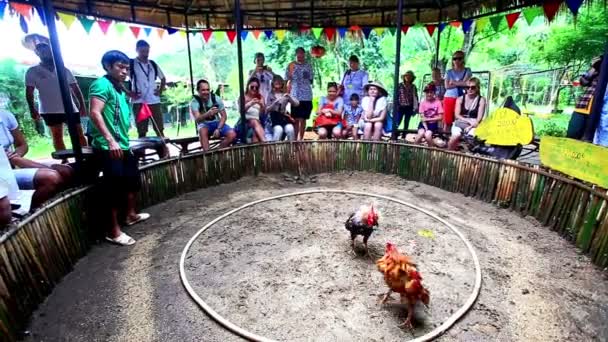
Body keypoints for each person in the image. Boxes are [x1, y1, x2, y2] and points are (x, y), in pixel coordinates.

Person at [88, 50, 150, 246]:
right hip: (109, 146)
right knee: (113, 188)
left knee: (131, 181)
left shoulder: (119, 88)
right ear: (108, 66)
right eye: (120, 67)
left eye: (126, 68)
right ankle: (113, 231)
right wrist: (109, 140)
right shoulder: (101, 84)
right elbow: (95, 113)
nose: (124, 71)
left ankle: (130, 215)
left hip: (123, 144)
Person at [24, 35, 87, 152]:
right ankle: (65, 162)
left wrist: (82, 106)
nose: (44, 53)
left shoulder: (64, 69)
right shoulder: (32, 71)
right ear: (37, 54)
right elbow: (29, 93)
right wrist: (32, 109)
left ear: (52, 52)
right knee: (57, 137)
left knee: (79, 134)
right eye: (41, 51)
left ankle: (86, 158)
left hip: (70, 108)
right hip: (49, 110)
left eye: (47, 50)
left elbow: (76, 89)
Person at [0, 107, 72, 209]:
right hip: (2, 174)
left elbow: (22, 145)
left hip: (10, 166)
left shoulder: (5, 115)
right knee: (51, 178)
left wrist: (16, 155)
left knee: (66, 171)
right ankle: (30, 214)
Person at [129, 40, 167, 139]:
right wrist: (129, 93)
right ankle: (141, 154)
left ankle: (164, 153)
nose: (145, 54)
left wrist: (160, 90)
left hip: (154, 100)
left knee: (159, 129)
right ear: (137, 50)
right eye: (142, 51)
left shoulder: (152, 64)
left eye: (147, 51)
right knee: (141, 131)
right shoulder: (132, 63)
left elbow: (163, 78)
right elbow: (120, 79)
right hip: (139, 101)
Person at [190, 79, 237, 151]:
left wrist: (218, 128)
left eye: (207, 90)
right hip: (204, 124)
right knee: (202, 131)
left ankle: (217, 151)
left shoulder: (216, 99)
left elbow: (224, 116)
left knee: (232, 134)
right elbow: (197, 119)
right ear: (198, 90)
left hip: (217, 123)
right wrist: (207, 114)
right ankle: (207, 153)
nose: (206, 92)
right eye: (203, 90)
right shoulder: (194, 102)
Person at [567, 56, 603, 139]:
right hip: (583, 107)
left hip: (600, 111)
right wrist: (595, 67)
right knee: (572, 134)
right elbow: (583, 81)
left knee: (589, 139)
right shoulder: (597, 71)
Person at [448, 77, 487, 150]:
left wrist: (470, 126)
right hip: (461, 122)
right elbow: (457, 115)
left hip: (473, 125)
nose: (470, 89)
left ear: (477, 88)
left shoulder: (481, 100)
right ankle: (449, 153)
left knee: (471, 139)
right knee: (455, 136)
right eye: (467, 87)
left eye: (473, 87)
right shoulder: (460, 99)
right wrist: (468, 121)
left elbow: (479, 119)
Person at [285, 47, 314, 140]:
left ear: (304, 54)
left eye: (302, 53)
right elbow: (286, 80)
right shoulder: (290, 65)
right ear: (296, 54)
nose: (300, 55)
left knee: (303, 119)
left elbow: (311, 80)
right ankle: (294, 140)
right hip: (295, 95)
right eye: (298, 53)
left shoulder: (308, 65)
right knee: (296, 119)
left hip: (306, 95)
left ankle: (301, 139)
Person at [444, 51, 472, 130]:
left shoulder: (467, 70)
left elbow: (467, 84)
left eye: (459, 58)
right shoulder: (449, 72)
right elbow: (447, 86)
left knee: (460, 119)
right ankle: (446, 138)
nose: (457, 61)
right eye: (454, 59)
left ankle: (457, 138)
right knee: (448, 120)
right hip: (449, 96)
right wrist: (460, 83)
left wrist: (453, 82)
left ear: (463, 59)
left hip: (462, 97)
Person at [266, 75, 298, 141]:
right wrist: (274, 104)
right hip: (274, 118)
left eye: (279, 81)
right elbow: (267, 109)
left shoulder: (284, 95)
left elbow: (296, 104)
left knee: (290, 129)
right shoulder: (270, 95)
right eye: (276, 81)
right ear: (273, 83)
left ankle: (291, 149)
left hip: (283, 117)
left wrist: (289, 97)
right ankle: (274, 149)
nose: (278, 82)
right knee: (279, 130)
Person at [415, 83, 444, 147]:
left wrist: (428, 119)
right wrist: (426, 128)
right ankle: (414, 150)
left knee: (428, 135)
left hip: (433, 125)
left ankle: (431, 150)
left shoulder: (438, 102)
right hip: (424, 124)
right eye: (427, 92)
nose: (429, 94)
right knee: (420, 134)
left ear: (434, 93)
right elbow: (422, 118)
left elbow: (440, 117)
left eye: (431, 92)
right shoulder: (422, 103)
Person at [392, 70, 419, 140]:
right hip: (400, 106)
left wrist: (415, 108)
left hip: (409, 107)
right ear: (404, 77)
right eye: (406, 76)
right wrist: (395, 105)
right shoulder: (399, 85)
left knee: (406, 122)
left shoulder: (413, 87)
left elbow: (415, 97)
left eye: (410, 76)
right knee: (398, 121)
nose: (408, 77)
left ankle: (404, 136)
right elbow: (396, 95)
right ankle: (395, 134)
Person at [243, 77, 266, 143]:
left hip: (258, 121)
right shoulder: (243, 96)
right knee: (254, 121)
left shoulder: (260, 97)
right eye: (252, 87)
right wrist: (250, 103)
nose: (254, 89)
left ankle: (261, 151)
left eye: (256, 87)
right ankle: (265, 142)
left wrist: (261, 105)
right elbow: (241, 111)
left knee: (255, 136)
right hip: (245, 122)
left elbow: (262, 114)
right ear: (248, 86)